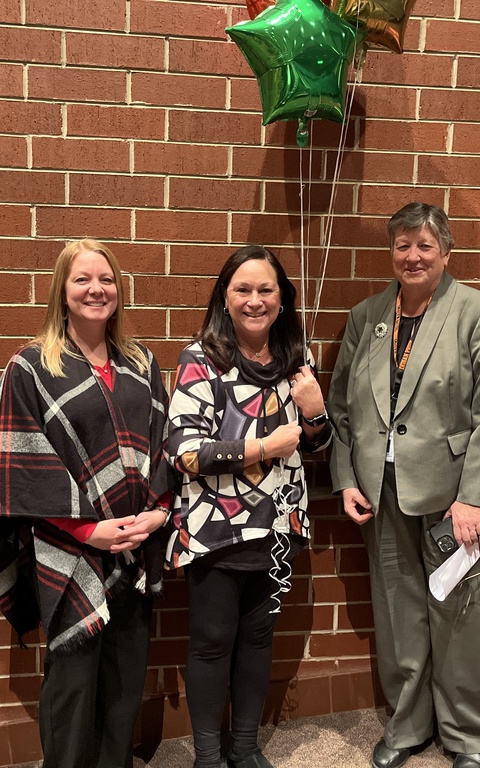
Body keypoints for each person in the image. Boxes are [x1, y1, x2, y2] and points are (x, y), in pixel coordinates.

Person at [0, 239, 175, 768]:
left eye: (105, 279)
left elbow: (165, 446)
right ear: (62, 290)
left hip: (135, 545)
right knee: (74, 686)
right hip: (71, 551)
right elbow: (18, 467)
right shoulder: (32, 367)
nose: (96, 289)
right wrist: (89, 531)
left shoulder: (141, 362)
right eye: (82, 279)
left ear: (119, 290)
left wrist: (156, 512)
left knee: (126, 681)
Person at [327, 203, 480, 768]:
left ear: (446, 253)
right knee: (397, 613)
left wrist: (475, 496)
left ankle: (470, 737)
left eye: (424, 246)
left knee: (461, 618)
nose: (412, 256)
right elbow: (341, 408)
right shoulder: (367, 317)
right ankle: (408, 725)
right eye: (402, 246)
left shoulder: (479, 312)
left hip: (457, 499)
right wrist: (345, 478)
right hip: (382, 492)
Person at [167, 245, 332, 768]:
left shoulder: (296, 360)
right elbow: (184, 451)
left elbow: (319, 447)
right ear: (225, 296)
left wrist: (316, 414)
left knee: (260, 639)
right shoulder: (202, 359)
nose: (255, 300)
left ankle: (244, 746)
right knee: (213, 641)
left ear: (282, 299)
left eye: (266, 290)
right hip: (216, 527)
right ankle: (208, 756)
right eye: (243, 289)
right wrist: (262, 447)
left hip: (280, 523)